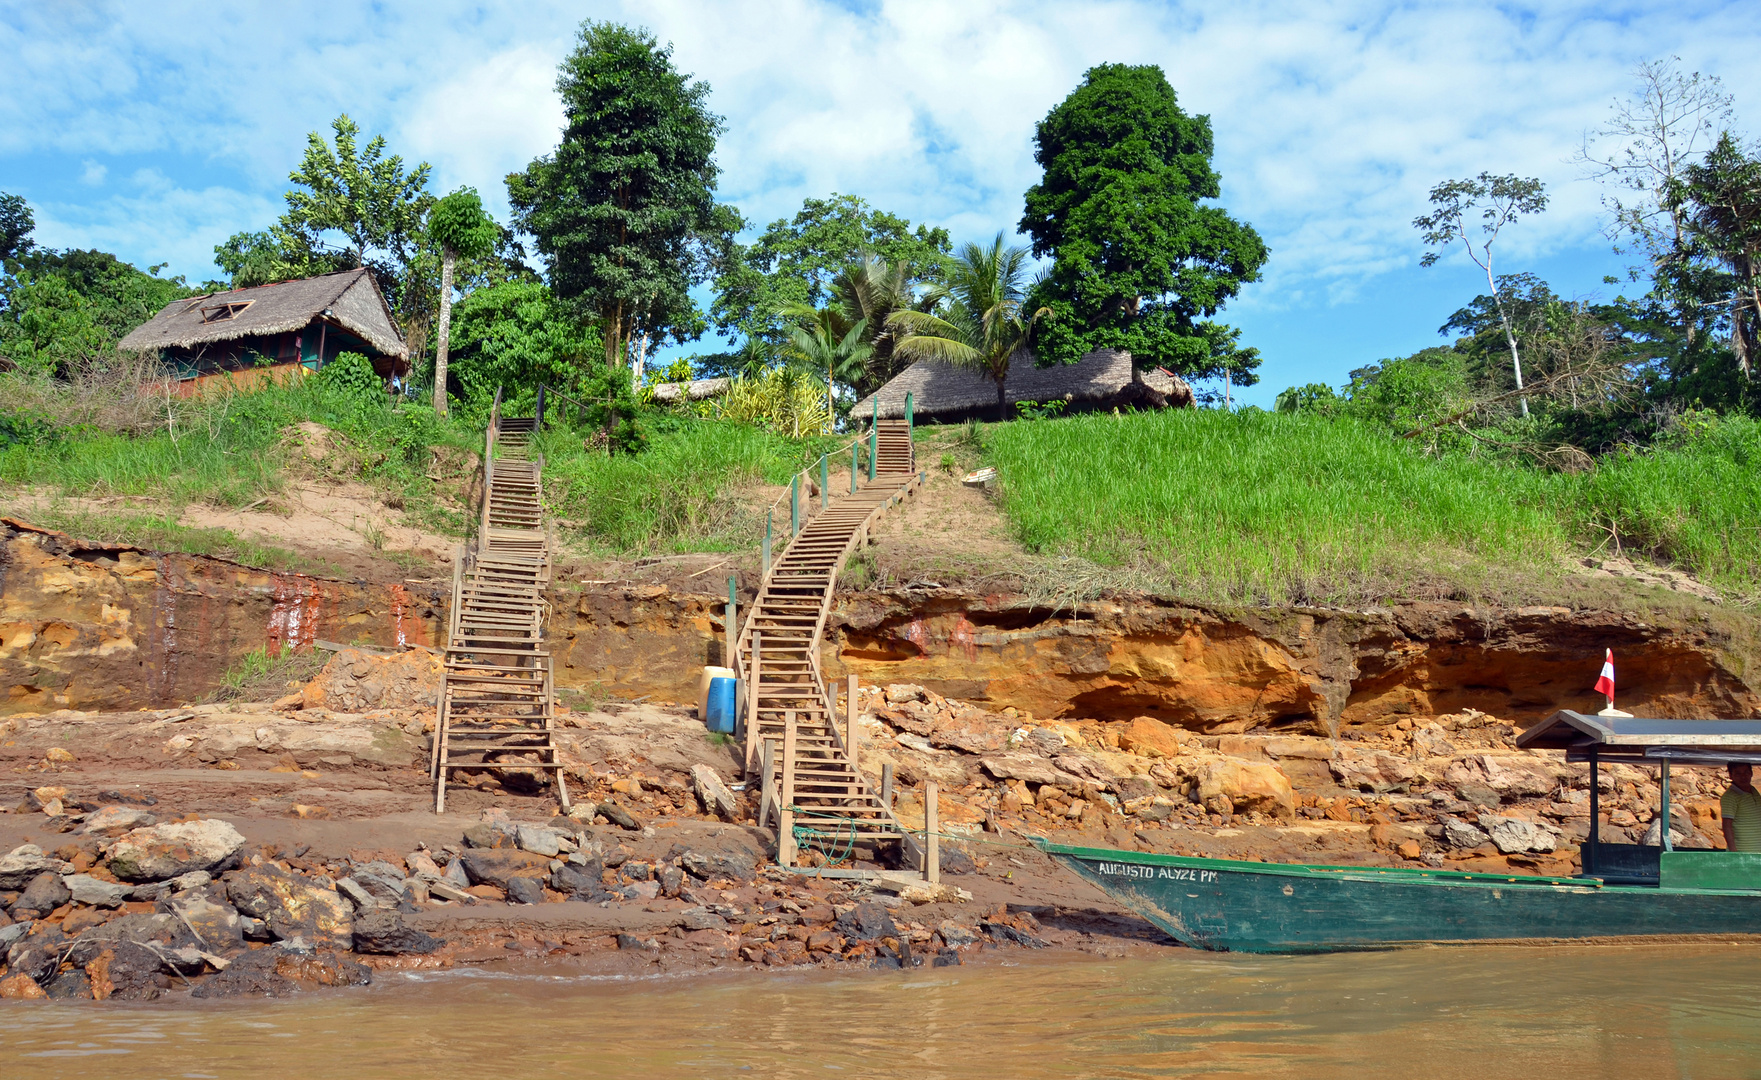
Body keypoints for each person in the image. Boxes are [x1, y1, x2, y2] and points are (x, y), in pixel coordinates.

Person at [1720, 763, 1761, 852]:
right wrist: (1734, 852)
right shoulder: (1730, 797)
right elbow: (1727, 826)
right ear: (1731, 775)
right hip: (1743, 852)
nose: (1743, 777)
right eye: (1738, 774)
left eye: (1746, 773)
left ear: (1751, 773)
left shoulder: (1753, 790)